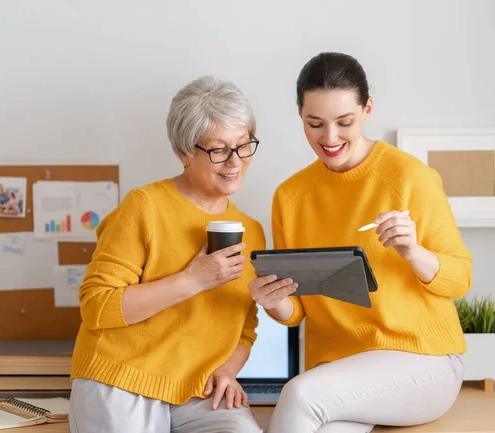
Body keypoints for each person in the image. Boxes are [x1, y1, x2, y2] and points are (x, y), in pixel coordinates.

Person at [248, 52, 472, 433]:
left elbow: (461, 279)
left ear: (367, 110)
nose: (330, 138)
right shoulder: (290, 196)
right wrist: (275, 301)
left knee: (300, 397)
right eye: (315, 123)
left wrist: (413, 252)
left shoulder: (409, 178)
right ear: (300, 115)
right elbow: (298, 310)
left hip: (423, 360)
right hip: (338, 371)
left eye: (344, 122)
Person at [70, 76, 265, 433]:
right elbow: (96, 306)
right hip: (122, 380)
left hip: (199, 391)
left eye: (243, 145)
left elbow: (246, 326)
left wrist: (228, 369)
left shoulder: (250, 230)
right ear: (184, 153)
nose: (235, 161)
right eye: (219, 149)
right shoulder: (144, 206)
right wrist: (193, 280)